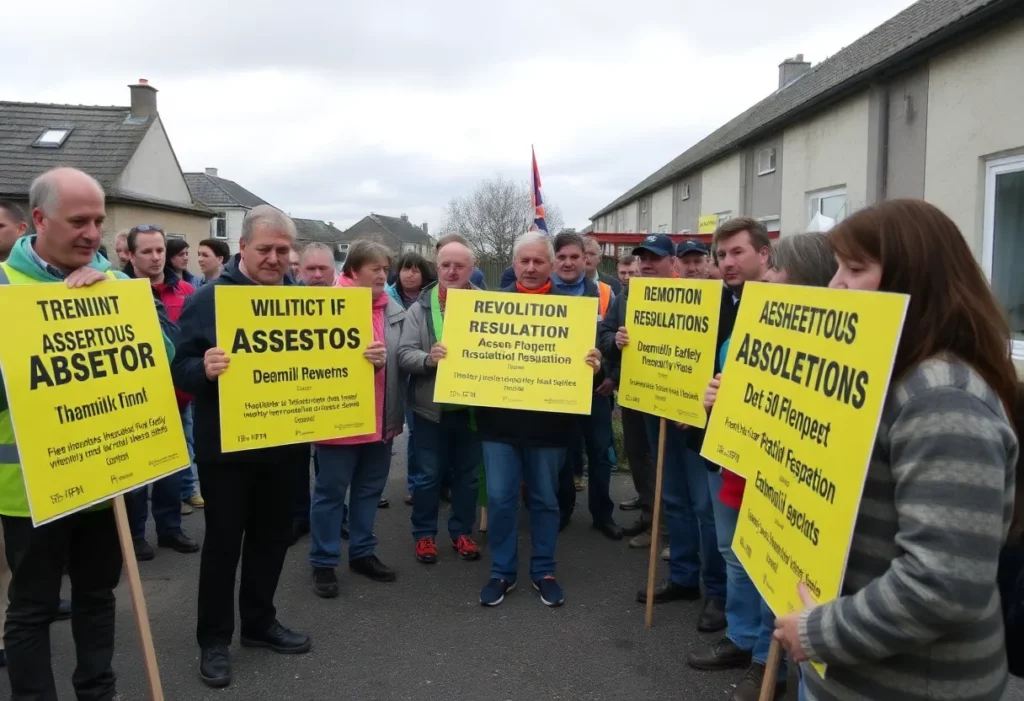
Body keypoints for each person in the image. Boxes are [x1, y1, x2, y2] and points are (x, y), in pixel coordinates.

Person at [770, 200, 1019, 701]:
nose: (835, 285)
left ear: (914, 279)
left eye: (855, 269)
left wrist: (819, 633)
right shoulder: (888, 376)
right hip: (852, 674)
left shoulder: (940, 398)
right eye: (836, 267)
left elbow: (943, 584)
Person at [0, 167, 174, 701]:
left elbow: (163, 358)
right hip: (30, 489)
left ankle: (98, 690)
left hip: (106, 478)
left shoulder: (118, 283)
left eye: (98, 221)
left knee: (98, 596)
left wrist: (114, 306)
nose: (92, 233)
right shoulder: (4, 287)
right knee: (31, 608)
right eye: (78, 221)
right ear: (39, 219)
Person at [689, 233, 835, 701]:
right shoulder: (748, 325)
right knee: (739, 556)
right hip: (737, 462)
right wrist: (715, 400)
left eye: (773, 271)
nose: (764, 277)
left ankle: (766, 662)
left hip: (785, 474)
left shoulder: (829, 342)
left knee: (774, 567)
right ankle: (742, 637)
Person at [172, 205, 312, 689]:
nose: (274, 258)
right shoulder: (208, 298)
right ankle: (214, 640)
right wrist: (203, 369)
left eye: (282, 250)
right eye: (265, 249)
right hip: (228, 451)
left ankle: (259, 622)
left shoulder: (304, 301)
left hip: (286, 445)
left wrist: (366, 360)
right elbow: (180, 368)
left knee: (273, 539)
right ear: (243, 247)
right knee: (223, 544)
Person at [601, 232, 732, 633]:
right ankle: (683, 576)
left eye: (655, 258)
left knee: (704, 506)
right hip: (654, 408)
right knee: (672, 496)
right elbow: (609, 338)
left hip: (693, 416)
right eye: (642, 258)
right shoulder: (629, 296)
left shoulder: (712, 298)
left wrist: (693, 405)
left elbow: (717, 357)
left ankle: (716, 591)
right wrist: (617, 340)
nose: (646, 264)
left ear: (671, 262)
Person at [473, 232, 604, 607]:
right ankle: (502, 571)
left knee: (545, 499)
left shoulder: (574, 311)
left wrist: (596, 365)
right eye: (524, 261)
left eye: (538, 261)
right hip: (498, 424)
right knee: (501, 499)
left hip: (550, 426)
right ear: (513, 264)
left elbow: (595, 364)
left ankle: (544, 570)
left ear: (550, 265)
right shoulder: (488, 308)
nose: (531, 268)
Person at [309, 240, 406, 598]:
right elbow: (311, 360)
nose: (383, 275)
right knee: (330, 493)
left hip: (381, 418)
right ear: (352, 270)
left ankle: (362, 553)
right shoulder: (326, 306)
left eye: (385, 269)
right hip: (339, 420)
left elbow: (403, 356)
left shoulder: (392, 308)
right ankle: (323, 562)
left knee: (369, 491)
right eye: (374, 269)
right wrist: (360, 361)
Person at [397, 238, 482, 565]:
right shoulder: (419, 308)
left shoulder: (488, 305)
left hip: (471, 410)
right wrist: (428, 359)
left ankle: (462, 531)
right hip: (430, 410)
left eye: (459, 265)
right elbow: (404, 354)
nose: (452, 271)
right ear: (437, 266)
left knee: (467, 476)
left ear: (472, 268)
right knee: (428, 476)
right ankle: (424, 534)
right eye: (446, 265)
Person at [123, 225, 200, 559]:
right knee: (137, 474)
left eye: (160, 250)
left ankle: (170, 529)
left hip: (176, 398)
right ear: (130, 255)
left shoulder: (186, 291)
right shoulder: (116, 293)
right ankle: (136, 535)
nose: (155, 258)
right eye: (147, 251)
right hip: (134, 401)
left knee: (172, 470)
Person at [550, 232, 621, 539]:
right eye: (562, 257)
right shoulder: (542, 293)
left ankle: (602, 514)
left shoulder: (605, 293)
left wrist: (611, 375)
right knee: (563, 454)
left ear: (586, 258)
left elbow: (616, 339)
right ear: (554, 260)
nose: (568, 263)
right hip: (556, 389)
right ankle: (562, 510)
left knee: (600, 453)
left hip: (595, 389)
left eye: (574, 257)